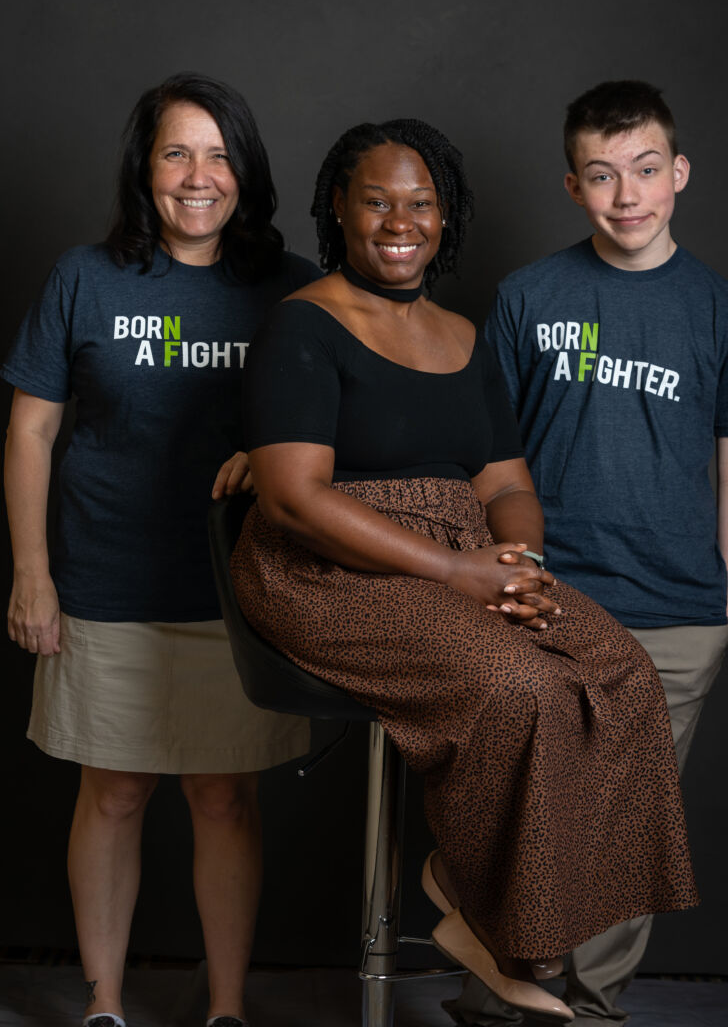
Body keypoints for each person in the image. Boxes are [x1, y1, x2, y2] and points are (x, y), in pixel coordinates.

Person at [230, 118, 700, 1023]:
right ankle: (488, 915)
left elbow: (505, 481)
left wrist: (514, 561)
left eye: (422, 203)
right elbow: (292, 499)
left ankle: (495, 918)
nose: (400, 221)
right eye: (377, 201)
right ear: (340, 206)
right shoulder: (303, 324)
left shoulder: (460, 333)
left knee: (621, 674)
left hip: (466, 557)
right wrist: (457, 574)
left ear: (446, 217)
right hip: (330, 568)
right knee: (518, 683)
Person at [449, 81, 728, 1027]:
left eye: (644, 170)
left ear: (678, 173)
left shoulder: (724, 313)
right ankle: (505, 991)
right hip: (550, 596)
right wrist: (500, 577)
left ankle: (589, 1009)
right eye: (602, 175)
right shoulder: (527, 297)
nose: (626, 195)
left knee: (623, 827)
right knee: (533, 808)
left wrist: (727, 605)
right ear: (571, 184)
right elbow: (487, 453)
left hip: (677, 608)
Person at [3, 72, 320, 1027]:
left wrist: (275, 457)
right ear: (146, 168)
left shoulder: (290, 287)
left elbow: (344, 421)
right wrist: (31, 573)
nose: (198, 175)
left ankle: (225, 1009)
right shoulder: (84, 278)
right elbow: (29, 433)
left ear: (246, 173)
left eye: (220, 154)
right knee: (116, 793)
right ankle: (104, 1003)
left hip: (236, 593)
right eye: (177, 151)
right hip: (104, 582)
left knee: (223, 799)